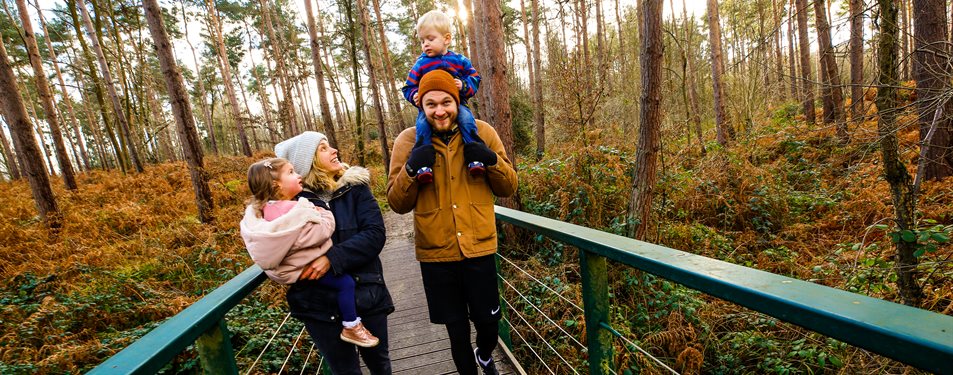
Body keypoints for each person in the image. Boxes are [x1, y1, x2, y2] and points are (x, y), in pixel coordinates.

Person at [387, 70, 518, 375]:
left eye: (446, 101)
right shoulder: (407, 141)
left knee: (488, 323)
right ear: (421, 106)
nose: (440, 110)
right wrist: (410, 170)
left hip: (479, 247)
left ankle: (485, 355)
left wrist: (490, 160)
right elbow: (396, 203)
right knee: (456, 331)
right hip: (437, 254)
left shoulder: (482, 132)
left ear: (457, 101)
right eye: (431, 104)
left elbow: (509, 187)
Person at [275, 131, 394, 375]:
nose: (334, 150)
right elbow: (273, 247)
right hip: (318, 302)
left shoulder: (355, 189)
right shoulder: (290, 204)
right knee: (345, 371)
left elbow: (375, 233)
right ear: (306, 162)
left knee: (380, 365)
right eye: (323, 148)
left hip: (366, 290)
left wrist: (332, 259)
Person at [239, 157, 380, 348]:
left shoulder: (262, 213)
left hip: (296, 274)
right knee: (345, 283)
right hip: (310, 270)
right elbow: (321, 230)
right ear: (276, 185)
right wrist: (322, 211)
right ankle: (352, 325)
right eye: (291, 172)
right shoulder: (295, 208)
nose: (298, 176)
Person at [401, 9, 482, 183]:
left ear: (446, 39)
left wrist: (464, 85)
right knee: (422, 126)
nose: (425, 45)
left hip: (458, 104)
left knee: (467, 119)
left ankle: (475, 156)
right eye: (422, 41)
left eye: (430, 39)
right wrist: (415, 95)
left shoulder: (459, 60)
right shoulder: (421, 64)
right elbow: (408, 87)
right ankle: (424, 164)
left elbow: (475, 77)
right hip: (427, 109)